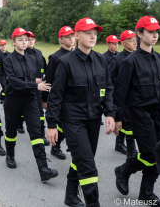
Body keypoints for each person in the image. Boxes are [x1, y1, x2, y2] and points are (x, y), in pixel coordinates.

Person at [46, 18, 118, 207]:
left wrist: (110, 113)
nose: (93, 36)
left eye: (95, 33)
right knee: (88, 166)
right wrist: (52, 124)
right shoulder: (65, 62)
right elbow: (56, 95)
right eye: (88, 33)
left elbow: (108, 88)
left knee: (82, 159)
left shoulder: (101, 60)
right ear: (76, 36)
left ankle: (70, 194)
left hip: (93, 120)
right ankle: (93, 204)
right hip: (72, 120)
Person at [114, 16, 160, 206]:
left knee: (158, 153)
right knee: (151, 153)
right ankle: (127, 170)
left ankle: (143, 191)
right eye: (150, 31)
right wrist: (117, 118)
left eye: (156, 32)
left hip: (158, 113)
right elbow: (120, 92)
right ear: (139, 34)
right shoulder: (130, 61)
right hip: (139, 113)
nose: (155, 35)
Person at [3, 28, 58, 182]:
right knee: (11, 130)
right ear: (13, 42)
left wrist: (40, 84)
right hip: (14, 100)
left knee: (36, 132)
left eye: (26, 40)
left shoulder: (33, 59)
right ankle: (10, 155)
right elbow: (13, 82)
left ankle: (43, 168)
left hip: (30, 100)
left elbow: (35, 79)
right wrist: (35, 85)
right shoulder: (8, 60)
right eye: (20, 40)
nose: (24, 42)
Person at [42, 26, 76, 160]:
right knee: (63, 124)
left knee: (65, 125)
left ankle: (59, 146)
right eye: (67, 37)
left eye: (72, 36)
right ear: (61, 40)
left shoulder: (77, 54)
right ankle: (56, 147)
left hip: (74, 97)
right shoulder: (55, 57)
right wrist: (45, 99)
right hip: (60, 98)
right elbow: (48, 80)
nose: (71, 39)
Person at [109, 30, 138, 157]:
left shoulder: (137, 56)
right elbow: (109, 80)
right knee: (126, 122)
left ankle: (119, 143)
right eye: (131, 41)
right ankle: (131, 149)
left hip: (134, 97)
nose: (135, 43)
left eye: (135, 40)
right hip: (121, 98)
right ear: (123, 43)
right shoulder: (117, 59)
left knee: (129, 122)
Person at [25, 31, 49, 145]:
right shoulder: (22, 54)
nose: (30, 41)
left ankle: (41, 133)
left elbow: (45, 69)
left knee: (39, 111)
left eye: (32, 39)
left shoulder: (39, 53)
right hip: (26, 87)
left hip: (39, 88)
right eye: (28, 39)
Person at [0, 39, 10, 104]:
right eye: (2, 45)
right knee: (4, 86)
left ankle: (2, 97)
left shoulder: (9, 54)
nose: (4, 46)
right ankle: (3, 98)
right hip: (1, 74)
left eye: (5, 45)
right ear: (0, 46)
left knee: (7, 86)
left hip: (8, 74)